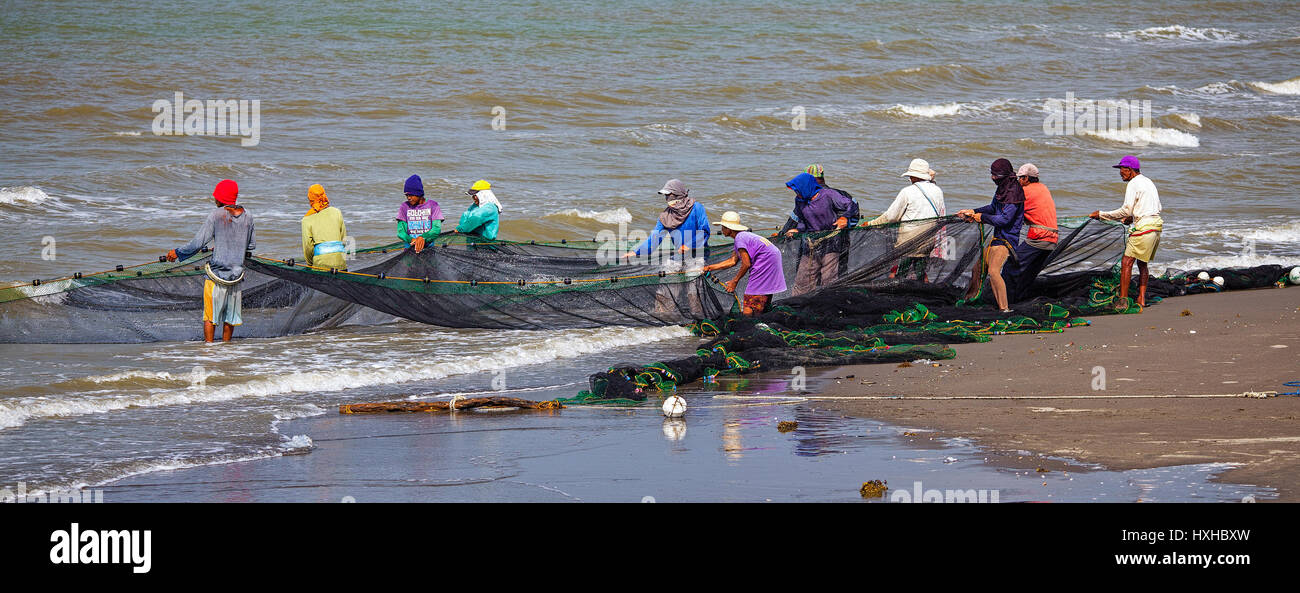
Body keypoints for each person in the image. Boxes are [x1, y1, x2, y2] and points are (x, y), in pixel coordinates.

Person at [163, 179, 255, 343]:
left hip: (216, 276)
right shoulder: (248, 215)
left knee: (210, 317)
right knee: (230, 318)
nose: (214, 199)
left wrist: (177, 252)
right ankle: (226, 350)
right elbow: (251, 245)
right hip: (236, 277)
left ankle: (209, 351)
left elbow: (197, 244)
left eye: (216, 196)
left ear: (220, 198)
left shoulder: (215, 215)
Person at [1090, 155, 1163, 308]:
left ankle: (1123, 301)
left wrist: (1102, 214)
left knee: (1127, 262)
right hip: (1156, 227)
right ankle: (1141, 299)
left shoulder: (1133, 184)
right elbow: (1154, 207)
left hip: (1143, 229)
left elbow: (1125, 210)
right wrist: (1132, 218)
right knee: (1142, 264)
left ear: (1130, 170)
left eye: (1122, 169)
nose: (1120, 172)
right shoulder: (1148, 182)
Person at [956, 158, 1025, 312]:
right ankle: (970, 299)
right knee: (978, 268)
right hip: (997, 239)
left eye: (997, 175)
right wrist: (972, 212)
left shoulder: (1014, 193)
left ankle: (1004, 309)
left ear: (1005, 175)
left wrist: (982, 217)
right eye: (992, 174)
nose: (993, 178)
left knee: (993, 272)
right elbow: (993, 208)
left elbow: (1005, 220)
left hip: (1007, 241)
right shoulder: (1002, 189)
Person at [865, 158, 946, 281]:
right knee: (920, 270)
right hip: (928, 238)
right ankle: (920, 293)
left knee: (901, 271)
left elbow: (891, 217)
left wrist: (871, 223)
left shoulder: (907, 191)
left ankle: (899, 293)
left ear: (913, 176)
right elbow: (941, 216)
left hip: (908, 239)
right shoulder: (938, 191)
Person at [699, 211, 786, 316]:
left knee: (750, 301)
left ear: (729, 229)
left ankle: (749, 322)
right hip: (772, 259)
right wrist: (709, 267)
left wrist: (734, 281)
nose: (721, 230)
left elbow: (746, 264)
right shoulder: (741, 237)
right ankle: (760, 319)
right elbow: (732, 261)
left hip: (765, 261)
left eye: (723, 227)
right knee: (761, 296)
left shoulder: (740, 238)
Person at [784, 172, 853, 296]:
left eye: (798, 190)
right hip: (810, 244)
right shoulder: (800, 200)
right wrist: (798, 230)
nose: (797, 193)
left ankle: (828, 305)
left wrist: (845, 218)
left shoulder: (828, 195)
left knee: (828, 277)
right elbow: (802, 221)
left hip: (831, 243)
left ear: (807, 186)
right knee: (803, 279)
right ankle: (798, 305)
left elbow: (851, 205)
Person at [1003, 163, 1058, 301]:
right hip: (1052, 238)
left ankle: (1005, 302)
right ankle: (1019, 299)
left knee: (1011, 265)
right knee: (1028, 272)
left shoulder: (1025, 192)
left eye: (1019, 178)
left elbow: (1006, 214)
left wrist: (979, 216)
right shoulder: (1043, 188)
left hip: (1039, 238)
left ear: (1026, 178)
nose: (1018, 182)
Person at [623, 179, 709, 264]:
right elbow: (654, 239)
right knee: (668, 269)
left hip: (700, 254)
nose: (667, 198)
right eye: (665, 195)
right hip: (680, 255)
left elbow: (705, 232)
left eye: (669, 195)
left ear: (678, 194)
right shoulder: (665, 216)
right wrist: (635, 252)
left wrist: (689, 245)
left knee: (694, 272)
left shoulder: (697, 208)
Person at [301, 184, 347, 270]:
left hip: (320, 265)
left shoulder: (306, 219)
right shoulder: (337, 212)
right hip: (341, 262)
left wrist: (310, 264)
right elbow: (344, 239)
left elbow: (308, 247)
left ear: (310, 198)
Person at [396, 175, 442, 253]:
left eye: (411, 195)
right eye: (407, 195)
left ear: (419, 193)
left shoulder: (433, 205)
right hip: (409, 250)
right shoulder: (404, 207)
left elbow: (436, 229)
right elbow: (400, 232)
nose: (408, 198)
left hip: (429, 249)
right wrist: (412, 240)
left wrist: (423, 238)